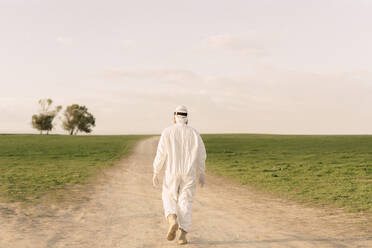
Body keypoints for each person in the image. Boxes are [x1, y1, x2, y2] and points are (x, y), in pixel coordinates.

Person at [152, 105, 207, 245]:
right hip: (189, 173)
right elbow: (202, 155)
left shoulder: (167, 132)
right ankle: (182, 234)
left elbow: (161, 155)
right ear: (187, 117)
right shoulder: (195, 133)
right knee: (186, 201)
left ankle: (172, 219)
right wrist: (202, 172)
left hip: (172, 171)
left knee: (168, 195)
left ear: (175, 117)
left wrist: (156, 171)